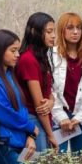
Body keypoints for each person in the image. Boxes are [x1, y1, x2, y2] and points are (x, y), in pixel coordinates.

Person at [0, 29, 39, 164]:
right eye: (13, 50)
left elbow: (21, 108)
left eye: (18, 50)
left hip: (20, 142)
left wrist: (30, 136)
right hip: (2, 144)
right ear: (0, 50)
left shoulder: (9, 74)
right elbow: (5, 114)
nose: (17, 55)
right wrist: (30, 128)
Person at [51, 12, 82, 153]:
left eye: (79, 28)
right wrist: (61, 117)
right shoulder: (52, 55)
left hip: (81, 118)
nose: (75, 32)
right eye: (70, 28)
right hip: (58, 117)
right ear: (62, 30)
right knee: (56, 159)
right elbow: (50, 89)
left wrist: (80, 117)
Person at [15, 12, 58, 151]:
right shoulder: (28, 59)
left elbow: (47, 91)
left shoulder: (41, 57)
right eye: (49, 32)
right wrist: (51, 135)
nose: (54, 36)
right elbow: (39, 105)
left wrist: (51, 101)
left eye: (54, 31)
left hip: (44, 119)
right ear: (34, 32)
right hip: (33, 120)